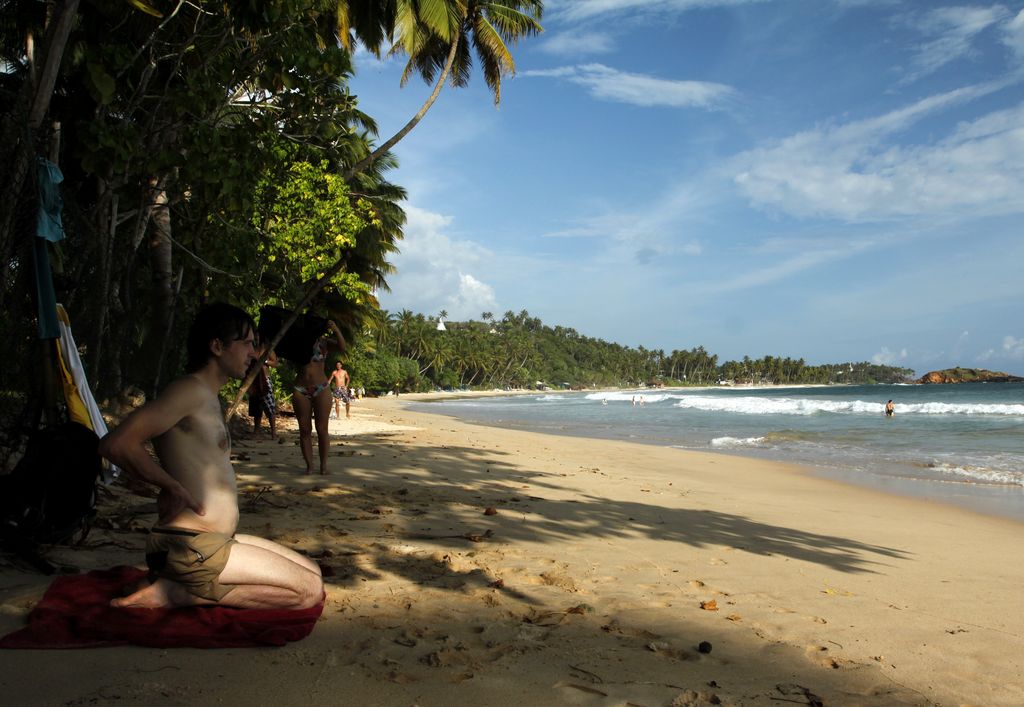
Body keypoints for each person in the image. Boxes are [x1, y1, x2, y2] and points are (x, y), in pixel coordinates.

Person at [98, 303, 323, 610]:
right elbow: (117, 444)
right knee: (307, 592)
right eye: (247, 344)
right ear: (217, 346)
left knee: (314, 573)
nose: (254, 354)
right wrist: (171, 486)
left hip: (212, 543)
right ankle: (177, 594)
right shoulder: (188, 391)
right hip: (189, 545)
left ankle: (178, 583)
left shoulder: (208, 395)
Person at [292, 319, 345, 475]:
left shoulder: (324, 342)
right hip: (300, 389)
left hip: (321, 388)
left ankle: (323, 466)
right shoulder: (296, 341)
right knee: (304, 430)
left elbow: (342, 347)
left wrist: (335, 329)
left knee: (322, 429)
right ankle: (309, 466)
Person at [247, 337, 278, 438]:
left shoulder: (268, 348)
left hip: (265, 380)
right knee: (256, 407)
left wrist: (264, 362)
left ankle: (273, 432)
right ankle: (256, 431)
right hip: (253, 381)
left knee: (269, 406)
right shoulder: (251, 348)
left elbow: (275, 363)